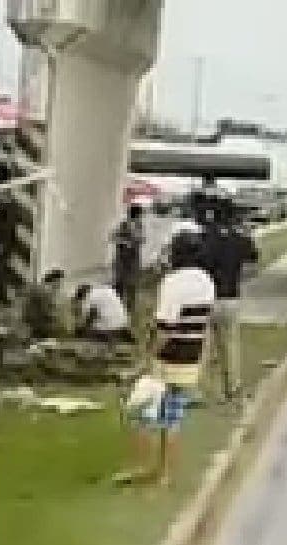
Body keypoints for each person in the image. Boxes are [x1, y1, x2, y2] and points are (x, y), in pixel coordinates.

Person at [145, 239, 216, 486]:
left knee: (155, 415)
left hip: (169, 356)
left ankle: (160, 471)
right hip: (192, 355)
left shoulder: (172, 283)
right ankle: (165, 471)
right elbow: (206, 323)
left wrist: (148, 357)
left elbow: (165, 327)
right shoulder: (206, 280)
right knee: (174, 415)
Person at [199, 202, 259, 402]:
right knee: (231, 345)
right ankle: (232, 388)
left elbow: (200, 265)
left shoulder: (207, 239)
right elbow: (253, 263)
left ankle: (202, 390)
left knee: (205, 346)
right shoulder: (240, 239)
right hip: (231, 298)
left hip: (209, 298)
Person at [111, 204, 146, 310]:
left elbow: (142, 239)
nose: (141, 217)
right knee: (120, 283)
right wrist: (125, 242)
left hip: (134, 259)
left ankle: (131, 307)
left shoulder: (139, 226)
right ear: (135, 215)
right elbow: (113, 237)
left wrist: (139, 239)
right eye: (140, 215)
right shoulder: (124, 224)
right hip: (122, 259)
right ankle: (118, 306)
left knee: (133, 283)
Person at [0, 192, 20, 306]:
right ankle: (1, 295)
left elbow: (6, 231)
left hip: (0, 246)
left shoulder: (6, 214)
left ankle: (4, 297)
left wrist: (0, 247)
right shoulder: (0, 214)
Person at [22, 269, 67, 339]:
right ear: (54, 281)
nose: (59, 286)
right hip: (38, 331)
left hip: (36, 330)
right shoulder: (42, 292)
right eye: (59, 283)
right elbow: (45, 313)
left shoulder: (42, 291)